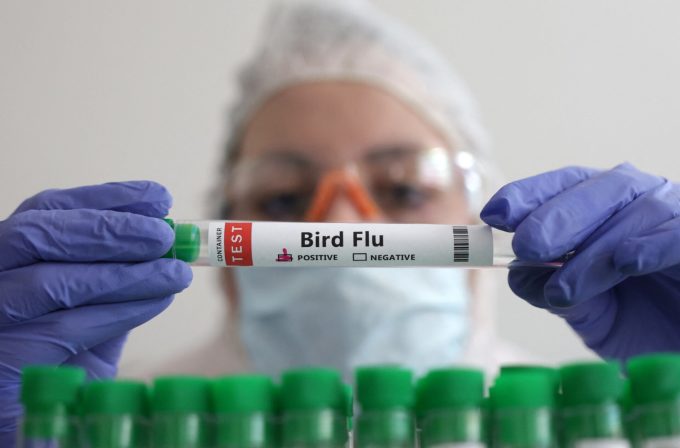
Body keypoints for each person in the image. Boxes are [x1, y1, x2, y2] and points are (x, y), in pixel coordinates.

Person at [1, 0, 679, 443]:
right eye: (282, 200)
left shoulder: (607, 425)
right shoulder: (97, 425)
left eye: (404, 187)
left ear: (476, 215)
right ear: (227, 269)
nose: (345, 227)